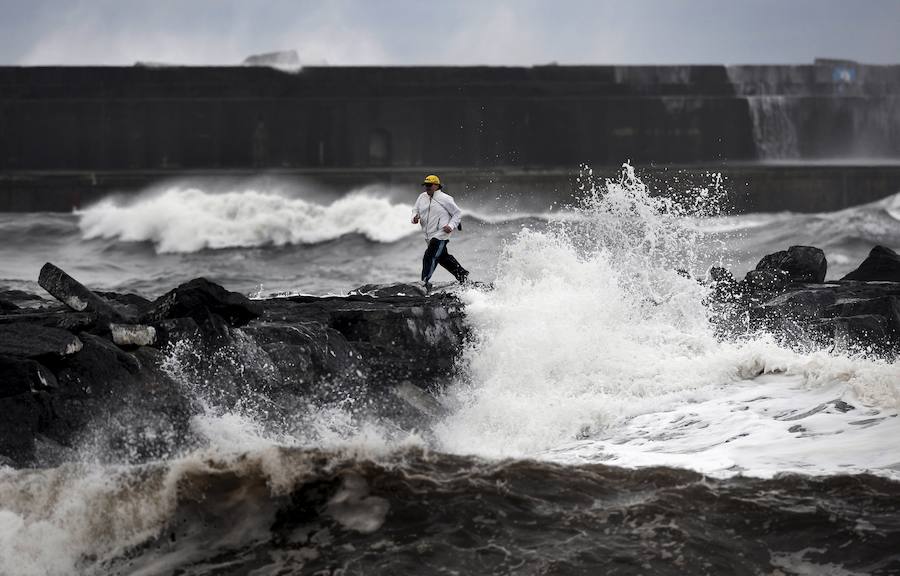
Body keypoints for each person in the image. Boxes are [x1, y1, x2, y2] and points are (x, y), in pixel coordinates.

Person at [411, 174, 469, 286]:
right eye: (425, 185)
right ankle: (462, 274)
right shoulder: (422, 197)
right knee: (443, 258)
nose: (427, 187)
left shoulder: (445, 199)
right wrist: (415, 217)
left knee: (429, 256)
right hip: (428, 235)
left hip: (441, 234)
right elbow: (415, 209)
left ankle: (424, 282)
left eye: (429, 185)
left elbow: (457, 213)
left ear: (437, 186)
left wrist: (451, 226)